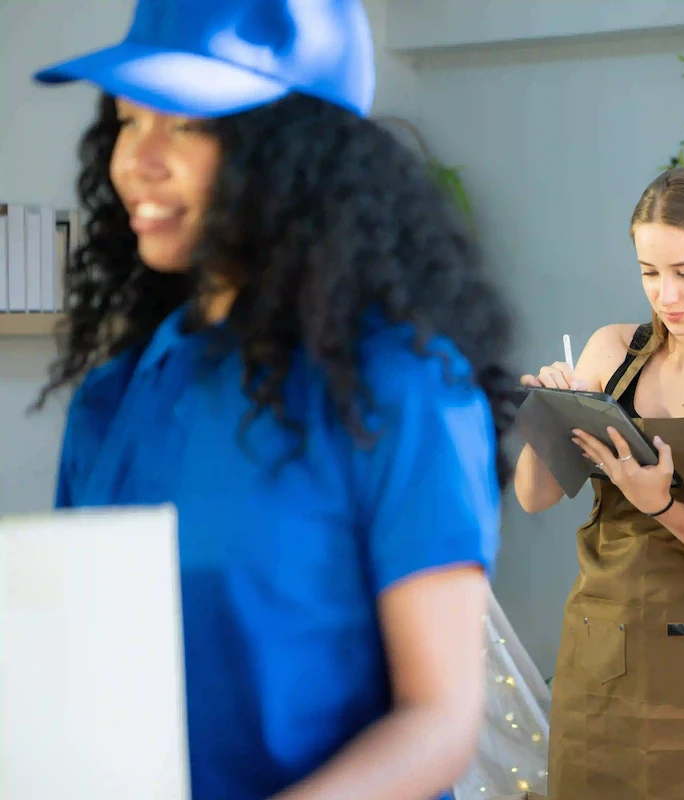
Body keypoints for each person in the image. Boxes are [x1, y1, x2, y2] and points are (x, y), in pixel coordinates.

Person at [32, 2, 515, 799]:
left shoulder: (399, 388)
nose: (137, 161)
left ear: (297, 150)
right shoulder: (113, 400)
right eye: (126, 119)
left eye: (186, 125)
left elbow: (438, 717)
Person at [516, 167, 684, 800]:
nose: (666, 295)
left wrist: (660, 504)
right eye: (649, 273)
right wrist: (550, 418)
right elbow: (536, 496)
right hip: (599, 651)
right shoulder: (612, 351)